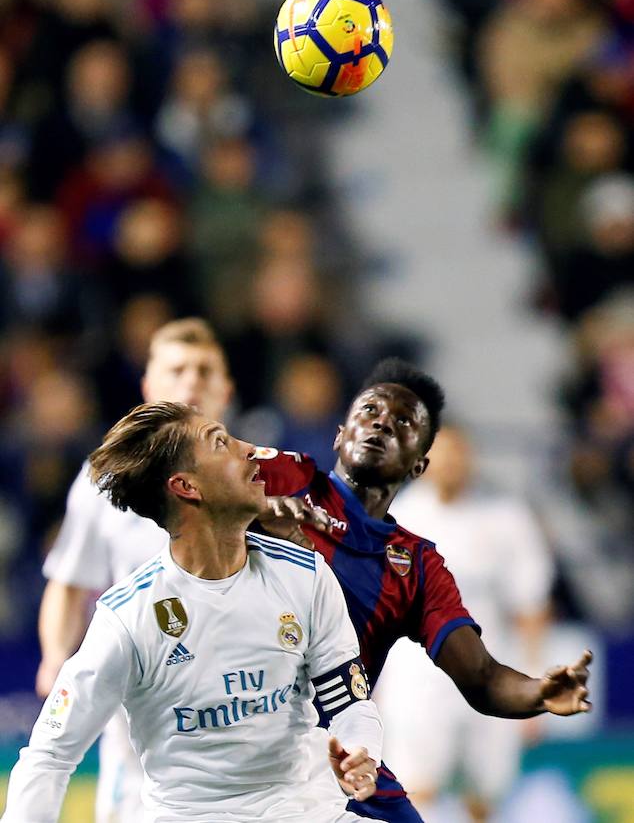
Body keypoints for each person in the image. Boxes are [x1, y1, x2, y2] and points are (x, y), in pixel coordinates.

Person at [2, 403, 385, 823]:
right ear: (186, 486)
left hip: (309, 811)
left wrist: (359, 748)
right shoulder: (128, 618)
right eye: (221, 443)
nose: (251, 450)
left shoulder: (305, 576)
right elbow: (50, 755)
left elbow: (350, 702)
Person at [255, 357, 593, 823]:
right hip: (232, 732)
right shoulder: (280, 477)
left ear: (418, 462)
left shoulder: (417, 565)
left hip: (332, 753)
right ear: (339, 433)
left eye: (403, 423)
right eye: (370, 409)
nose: (381, 423)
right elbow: (192, 466)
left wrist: (536, 692)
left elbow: (482, 677)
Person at [36, 317, 234, 822]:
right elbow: (68, 582)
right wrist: (56, 658)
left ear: (225, 388)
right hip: (141, 716)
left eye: (204, 369)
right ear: (148, 386)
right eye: (177, 369)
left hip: (243, 704)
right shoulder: (105, 479)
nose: (191, 381)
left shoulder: (260, 478)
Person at [375, 424, 555, 822]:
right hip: (416, 674)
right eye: (441, 453)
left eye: (459, 453)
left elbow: (531, 602)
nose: (451, 462)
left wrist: (535, 680)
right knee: (414, 787)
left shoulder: (506, 518)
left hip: (487, 669)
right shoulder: (397, 517)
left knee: (486, 794)